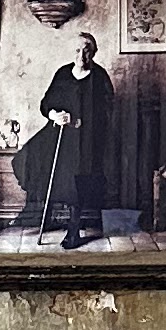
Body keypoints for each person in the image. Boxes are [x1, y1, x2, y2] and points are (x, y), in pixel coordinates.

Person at [37, 29, 116, 248]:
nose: (81, 55)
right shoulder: (63, 74)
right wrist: (55, 114)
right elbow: (46, 103)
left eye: (87, 50)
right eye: (77, 50)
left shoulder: (99, 77)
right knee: (40, 163)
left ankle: (73, 231)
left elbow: (107, 110)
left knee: (79, 182)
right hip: (61, 137)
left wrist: (79, 121)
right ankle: (47, 219)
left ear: (94, 52)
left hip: (88, 141)